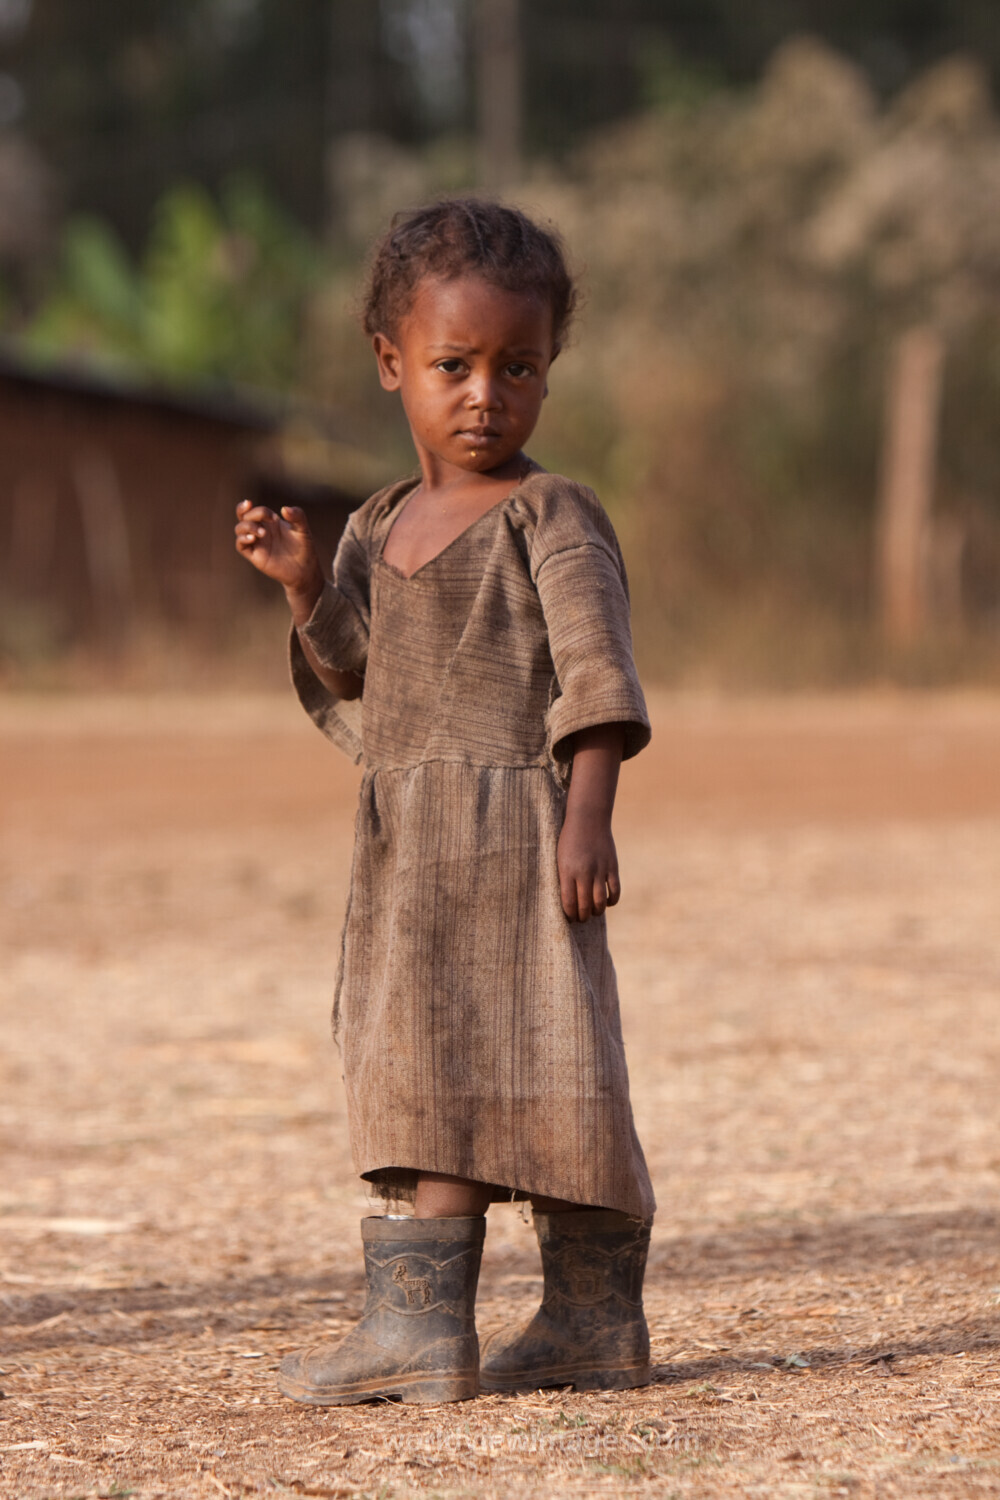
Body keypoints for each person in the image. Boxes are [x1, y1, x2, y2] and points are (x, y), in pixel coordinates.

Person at [235, 198, 655, 1407]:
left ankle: (589, 1322)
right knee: (419, 1068)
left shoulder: (551, 514)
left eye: (516, 367)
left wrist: (588, 816)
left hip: (523, 839)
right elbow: (359, 672)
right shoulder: (376, 523)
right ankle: (421, 1329)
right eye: (453, 366)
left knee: (556, 1067)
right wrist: (307, 583)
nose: (485, 394)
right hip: (410, 853)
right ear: (390, 365)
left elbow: (597, 671)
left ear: (547, 371)